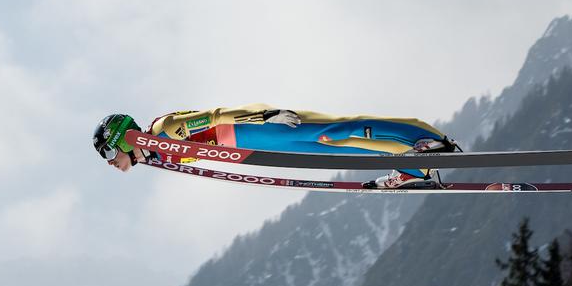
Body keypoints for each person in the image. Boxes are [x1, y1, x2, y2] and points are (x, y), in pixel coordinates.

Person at [92, 104, 458, 189]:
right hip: (256, 150)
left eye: (109, 154)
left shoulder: (165, 129)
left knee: (334, 131)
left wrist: (265, 115)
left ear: (120, 138)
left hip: (260, 132)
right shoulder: (156, 154)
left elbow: (218, 116)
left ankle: (421, 137)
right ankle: (414, 164)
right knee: (339, 151)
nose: (111, 162)